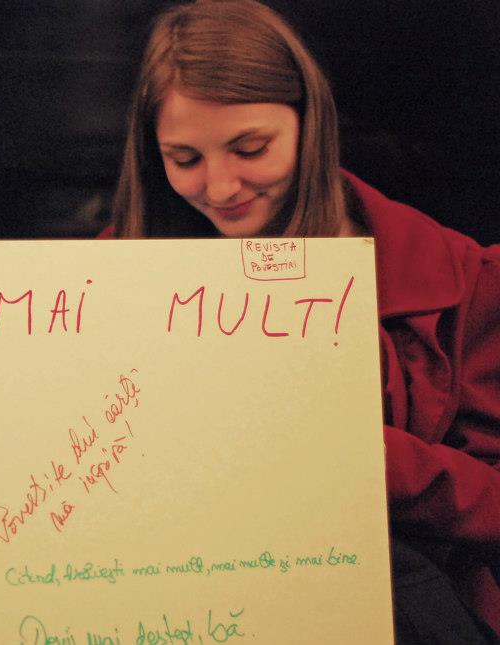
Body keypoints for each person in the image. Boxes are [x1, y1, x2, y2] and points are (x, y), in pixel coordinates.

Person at [103, 0, 500, 642]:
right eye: (185, 159)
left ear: (310, 124)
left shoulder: (459, 280)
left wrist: (356, 452)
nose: (221, 187)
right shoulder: (105, 277)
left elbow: (493, 504)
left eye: (250, 149)